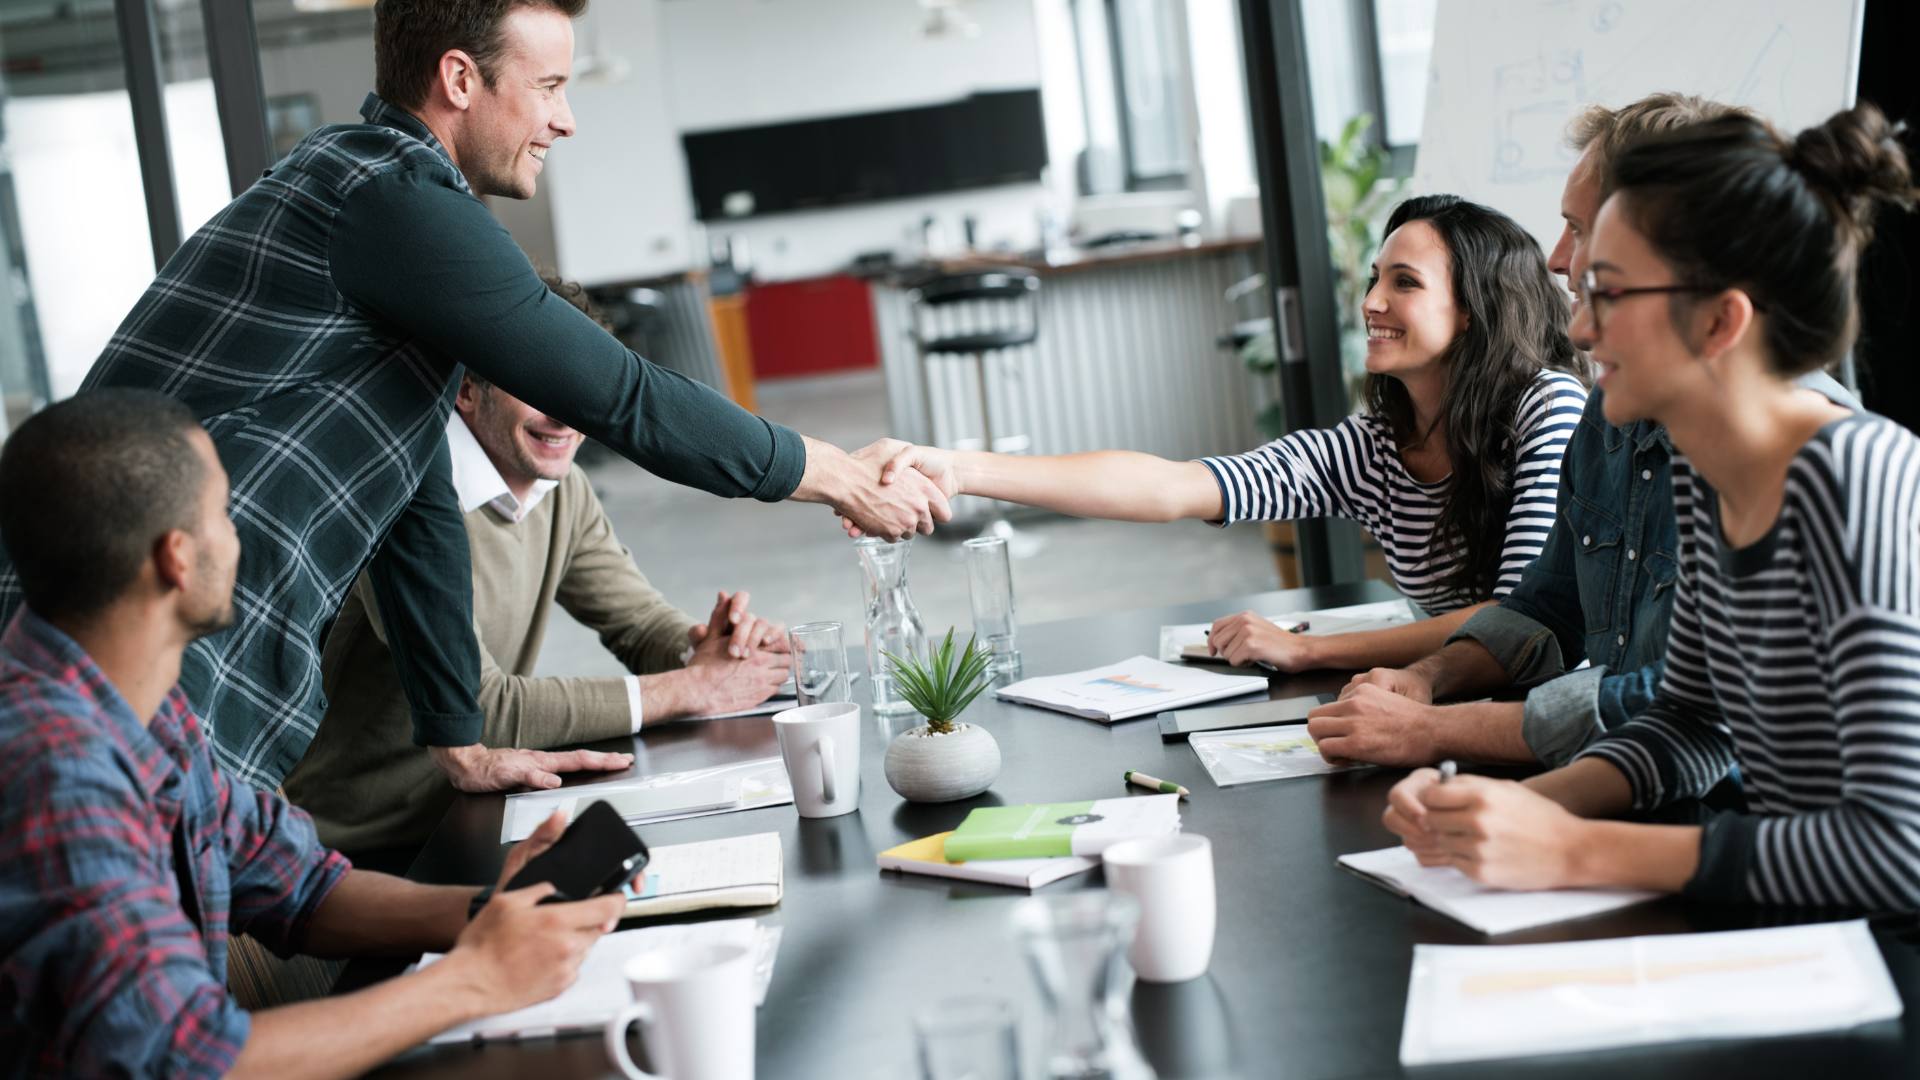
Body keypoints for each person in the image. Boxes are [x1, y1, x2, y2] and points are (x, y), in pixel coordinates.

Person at [0, 0, 950, 797]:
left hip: (153, 632)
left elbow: (408, 496)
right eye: (547, 87)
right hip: (118, 630)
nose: (565, 119)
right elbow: (615, 391)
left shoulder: (372, 194)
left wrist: (457, 738)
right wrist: (836, 476)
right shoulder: (385, 194)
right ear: (460, 80)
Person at [0, 390, 633, 1077]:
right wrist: (477, 978)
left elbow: (296, 885)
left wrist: (491, 911)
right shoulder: (53, 771)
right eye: (222, 513)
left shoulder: (135, 702)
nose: (239, 534)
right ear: (176, 560)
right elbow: (183, 1061)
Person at [1383, 104, 1920, 909]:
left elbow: (1896, 851)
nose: (1578, 325)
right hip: (1803, 932)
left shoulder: (1855, 479)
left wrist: (1575, 847)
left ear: (1719, 320)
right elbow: (1690, 723)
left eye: (1606, 291)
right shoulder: (1711, 474)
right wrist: (1517, 812)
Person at [1306, 95, 1857, 769]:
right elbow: (1552, 601)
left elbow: (1696, 718)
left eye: (1584, 233)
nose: (1560, 261)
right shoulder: (1618, 415)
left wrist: (1439, 735)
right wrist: (1430, 679)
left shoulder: (1819, 468)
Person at [860, 196, 1589, 671]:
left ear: (1476, 309)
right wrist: (958, 467)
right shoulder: (1375, 448)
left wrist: (1311, 652)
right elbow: (1176, 485)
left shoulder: (1546, 406)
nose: (1370, 301)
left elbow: (1514, 619)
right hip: (1444, 705)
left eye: (1404, 282)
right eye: (1374, 278)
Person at [287, 279, 791, 857]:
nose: (563, 411)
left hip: (488, 811)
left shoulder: (561, 489)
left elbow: (636, 622)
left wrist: (706, 651)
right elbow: (481, 708)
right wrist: (689, 689)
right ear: (467, 390)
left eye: (578, 385)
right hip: (363, 853)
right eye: (535, 383)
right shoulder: (402, 502)